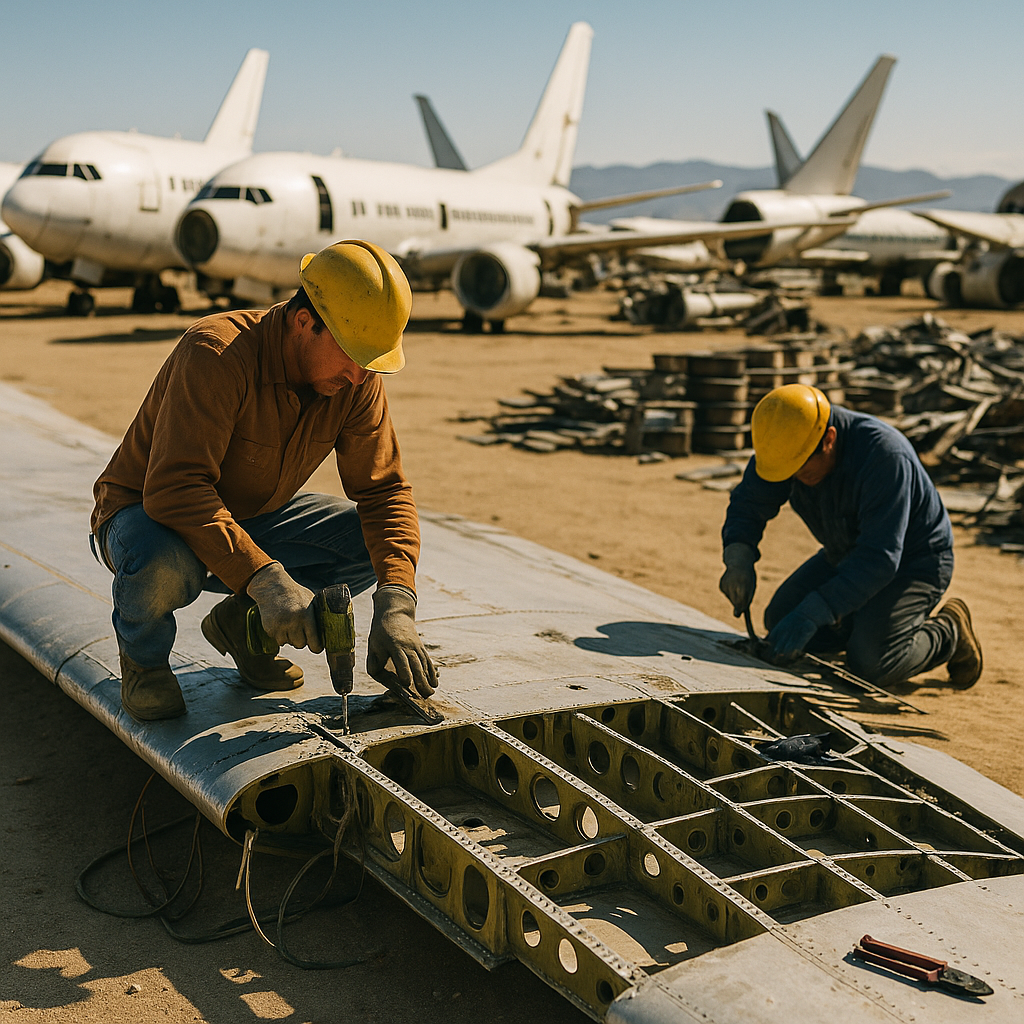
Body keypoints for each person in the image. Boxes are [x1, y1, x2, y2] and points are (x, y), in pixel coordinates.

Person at [90, 240, 437, 722]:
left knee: (364, 544)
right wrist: (268, 581)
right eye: (353, 355)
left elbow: (384, 493)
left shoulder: (356, 380)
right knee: (163, 565)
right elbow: (175, 488)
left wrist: (397, 604)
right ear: (302, 322)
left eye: (370, 362)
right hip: (146, 516)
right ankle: (144, 664)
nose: (360, 376)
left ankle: (246, 627)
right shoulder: (217, 353)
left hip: (250, 517)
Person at [719, 383, 982, 689]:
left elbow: (880, 558)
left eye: (800, 470)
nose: (793, 478)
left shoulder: (884, 457)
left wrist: (817, 611)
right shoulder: (787, 446)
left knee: (872, 662)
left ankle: (948, 631)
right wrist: (738, 556)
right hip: (846, 554)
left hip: (914, 563)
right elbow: (749, 503)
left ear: (829, 439)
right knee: (781, 619)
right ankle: (866, 621)